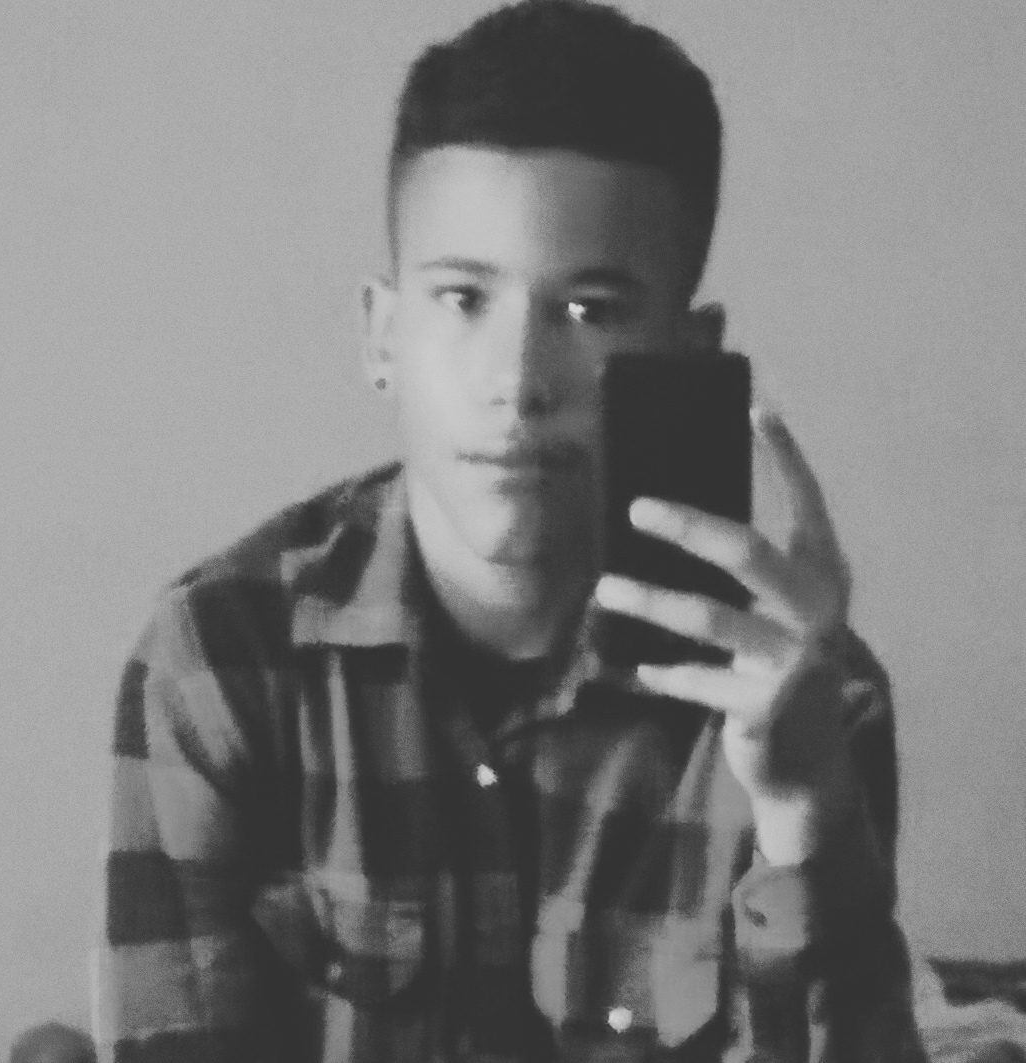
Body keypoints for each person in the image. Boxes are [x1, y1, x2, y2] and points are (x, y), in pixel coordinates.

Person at [92, 1, 926, 1059]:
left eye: (590, 310)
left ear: (686, 351)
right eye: (460, 298)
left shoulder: (795, 694)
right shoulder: (218, 660)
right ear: (382, 334)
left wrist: (804, 812)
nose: (518, 380)